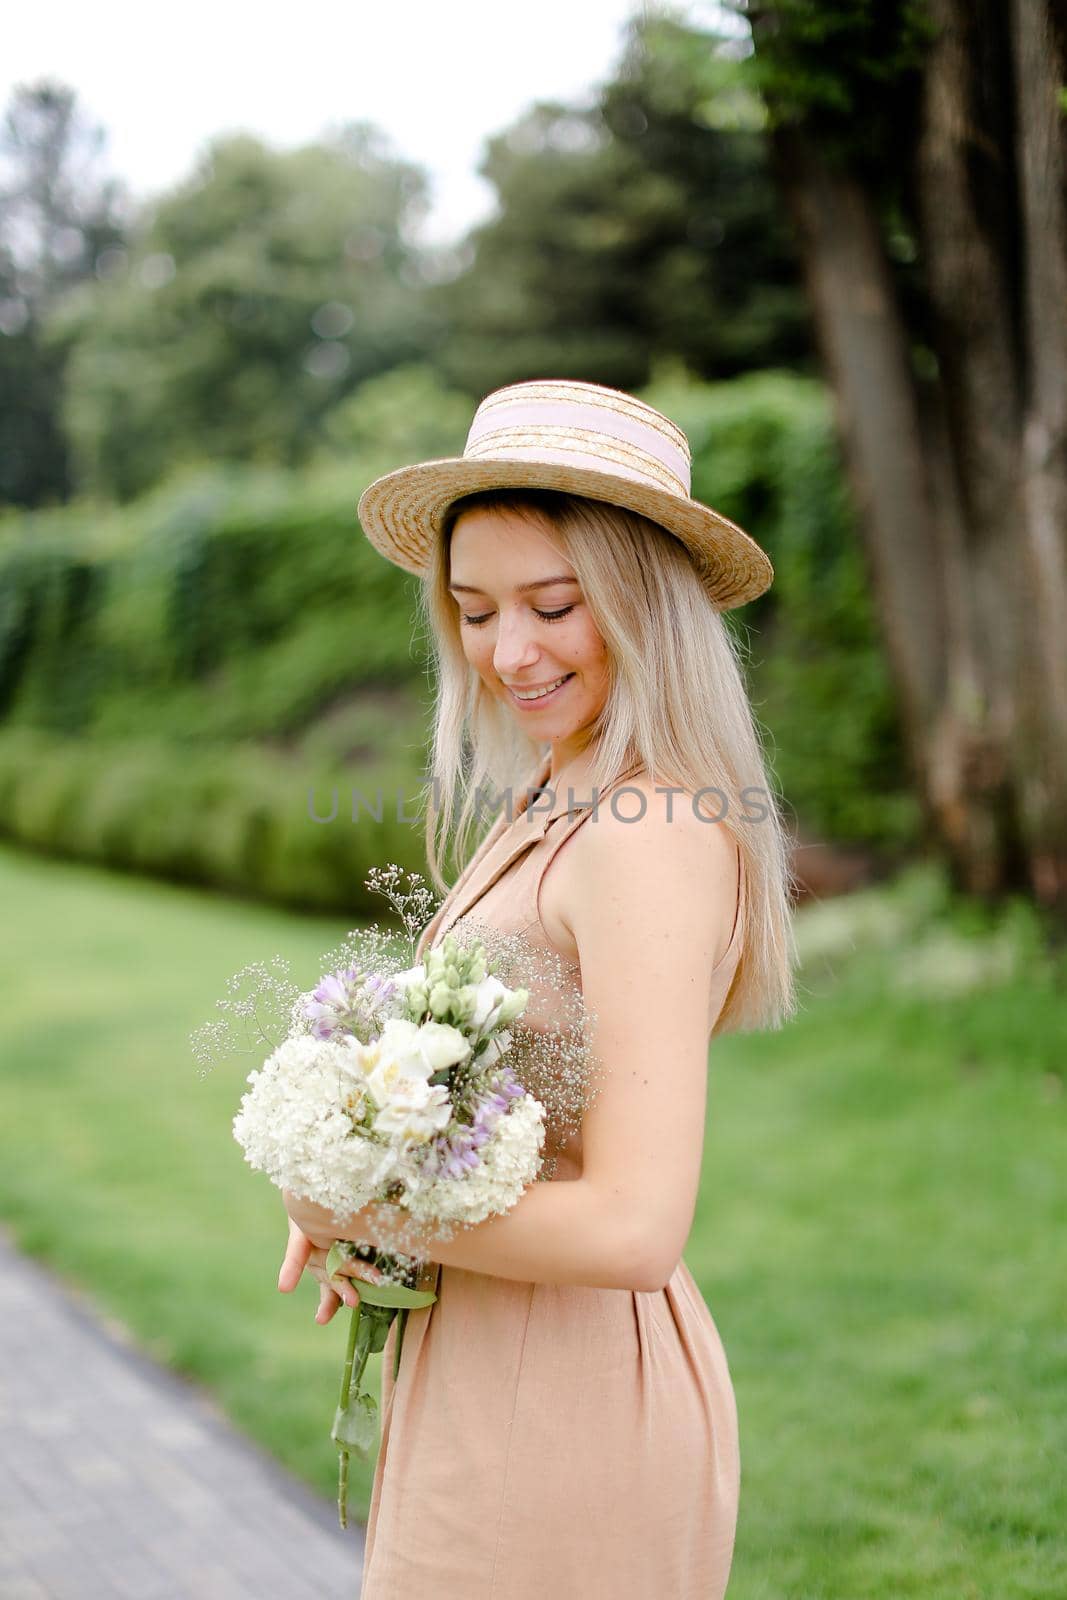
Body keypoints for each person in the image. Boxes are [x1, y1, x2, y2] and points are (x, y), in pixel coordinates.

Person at [278, 378, 798, 1597]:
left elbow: (632, 1225)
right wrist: (373, 1159)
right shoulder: (554, 791)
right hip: (480, 1366)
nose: (507, 652)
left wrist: (361, 1205)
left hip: (561, 1407)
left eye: (552, 605)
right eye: (472, 610)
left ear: (640, 604)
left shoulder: (647, 829)